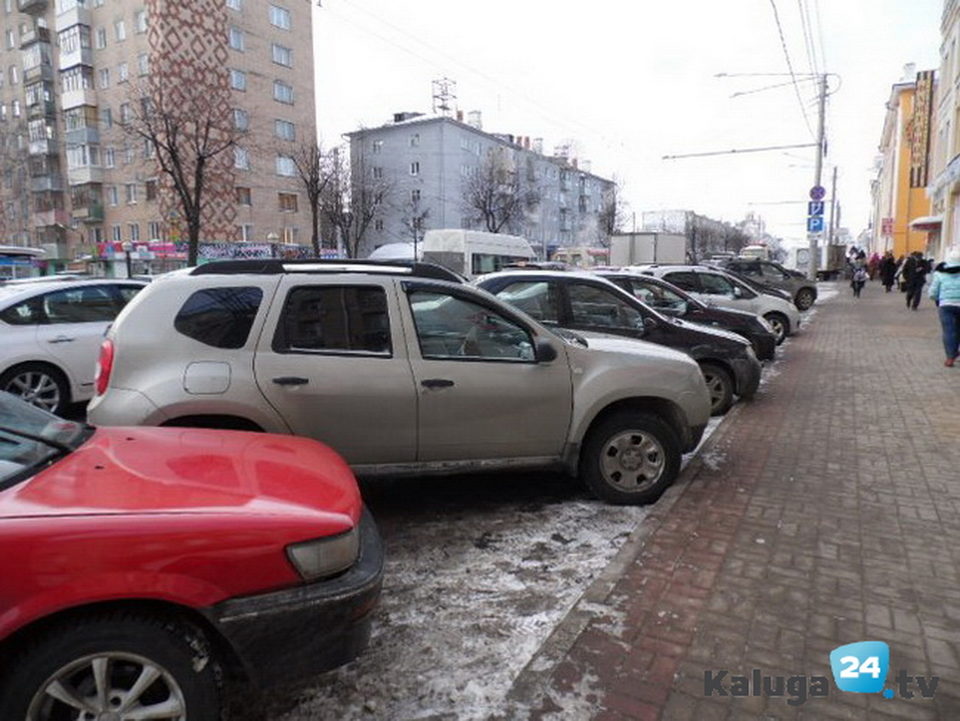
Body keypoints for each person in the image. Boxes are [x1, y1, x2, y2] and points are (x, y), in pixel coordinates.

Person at [928, 246, 960, 366]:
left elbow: (933, 292)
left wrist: (935, 298)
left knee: (949, 331)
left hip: (946, 305)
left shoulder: (940, 273)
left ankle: (950, 358)